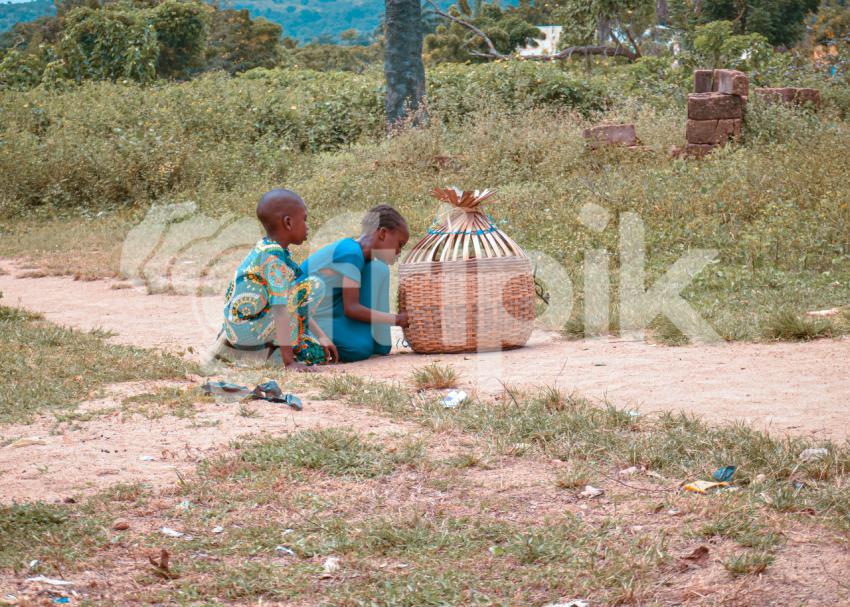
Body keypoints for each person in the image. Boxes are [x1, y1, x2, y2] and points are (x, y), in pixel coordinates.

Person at [219, 189, 337, 372]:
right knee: (315, 286)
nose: (307, 226)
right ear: (288, 223)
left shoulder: (267, 248)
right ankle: (263, 356)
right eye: (304, 219)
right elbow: (282, 308)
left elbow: (296, 304)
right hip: (250, 332)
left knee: (317, 353)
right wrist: (289, 363)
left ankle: (255, 354)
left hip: (241, 332)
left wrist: (321, 336)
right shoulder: (273, 258)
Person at [300, 205, 410, 363]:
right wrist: (397, 319)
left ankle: (365, 338)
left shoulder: (364, 258)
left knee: (378, 269)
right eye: (399, 244)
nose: (399, 251)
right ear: (383, 233)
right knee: (359, 348)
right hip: (308, 317)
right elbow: (351, 308)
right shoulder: (351, 253)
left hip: (333, 310)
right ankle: (306, 340)